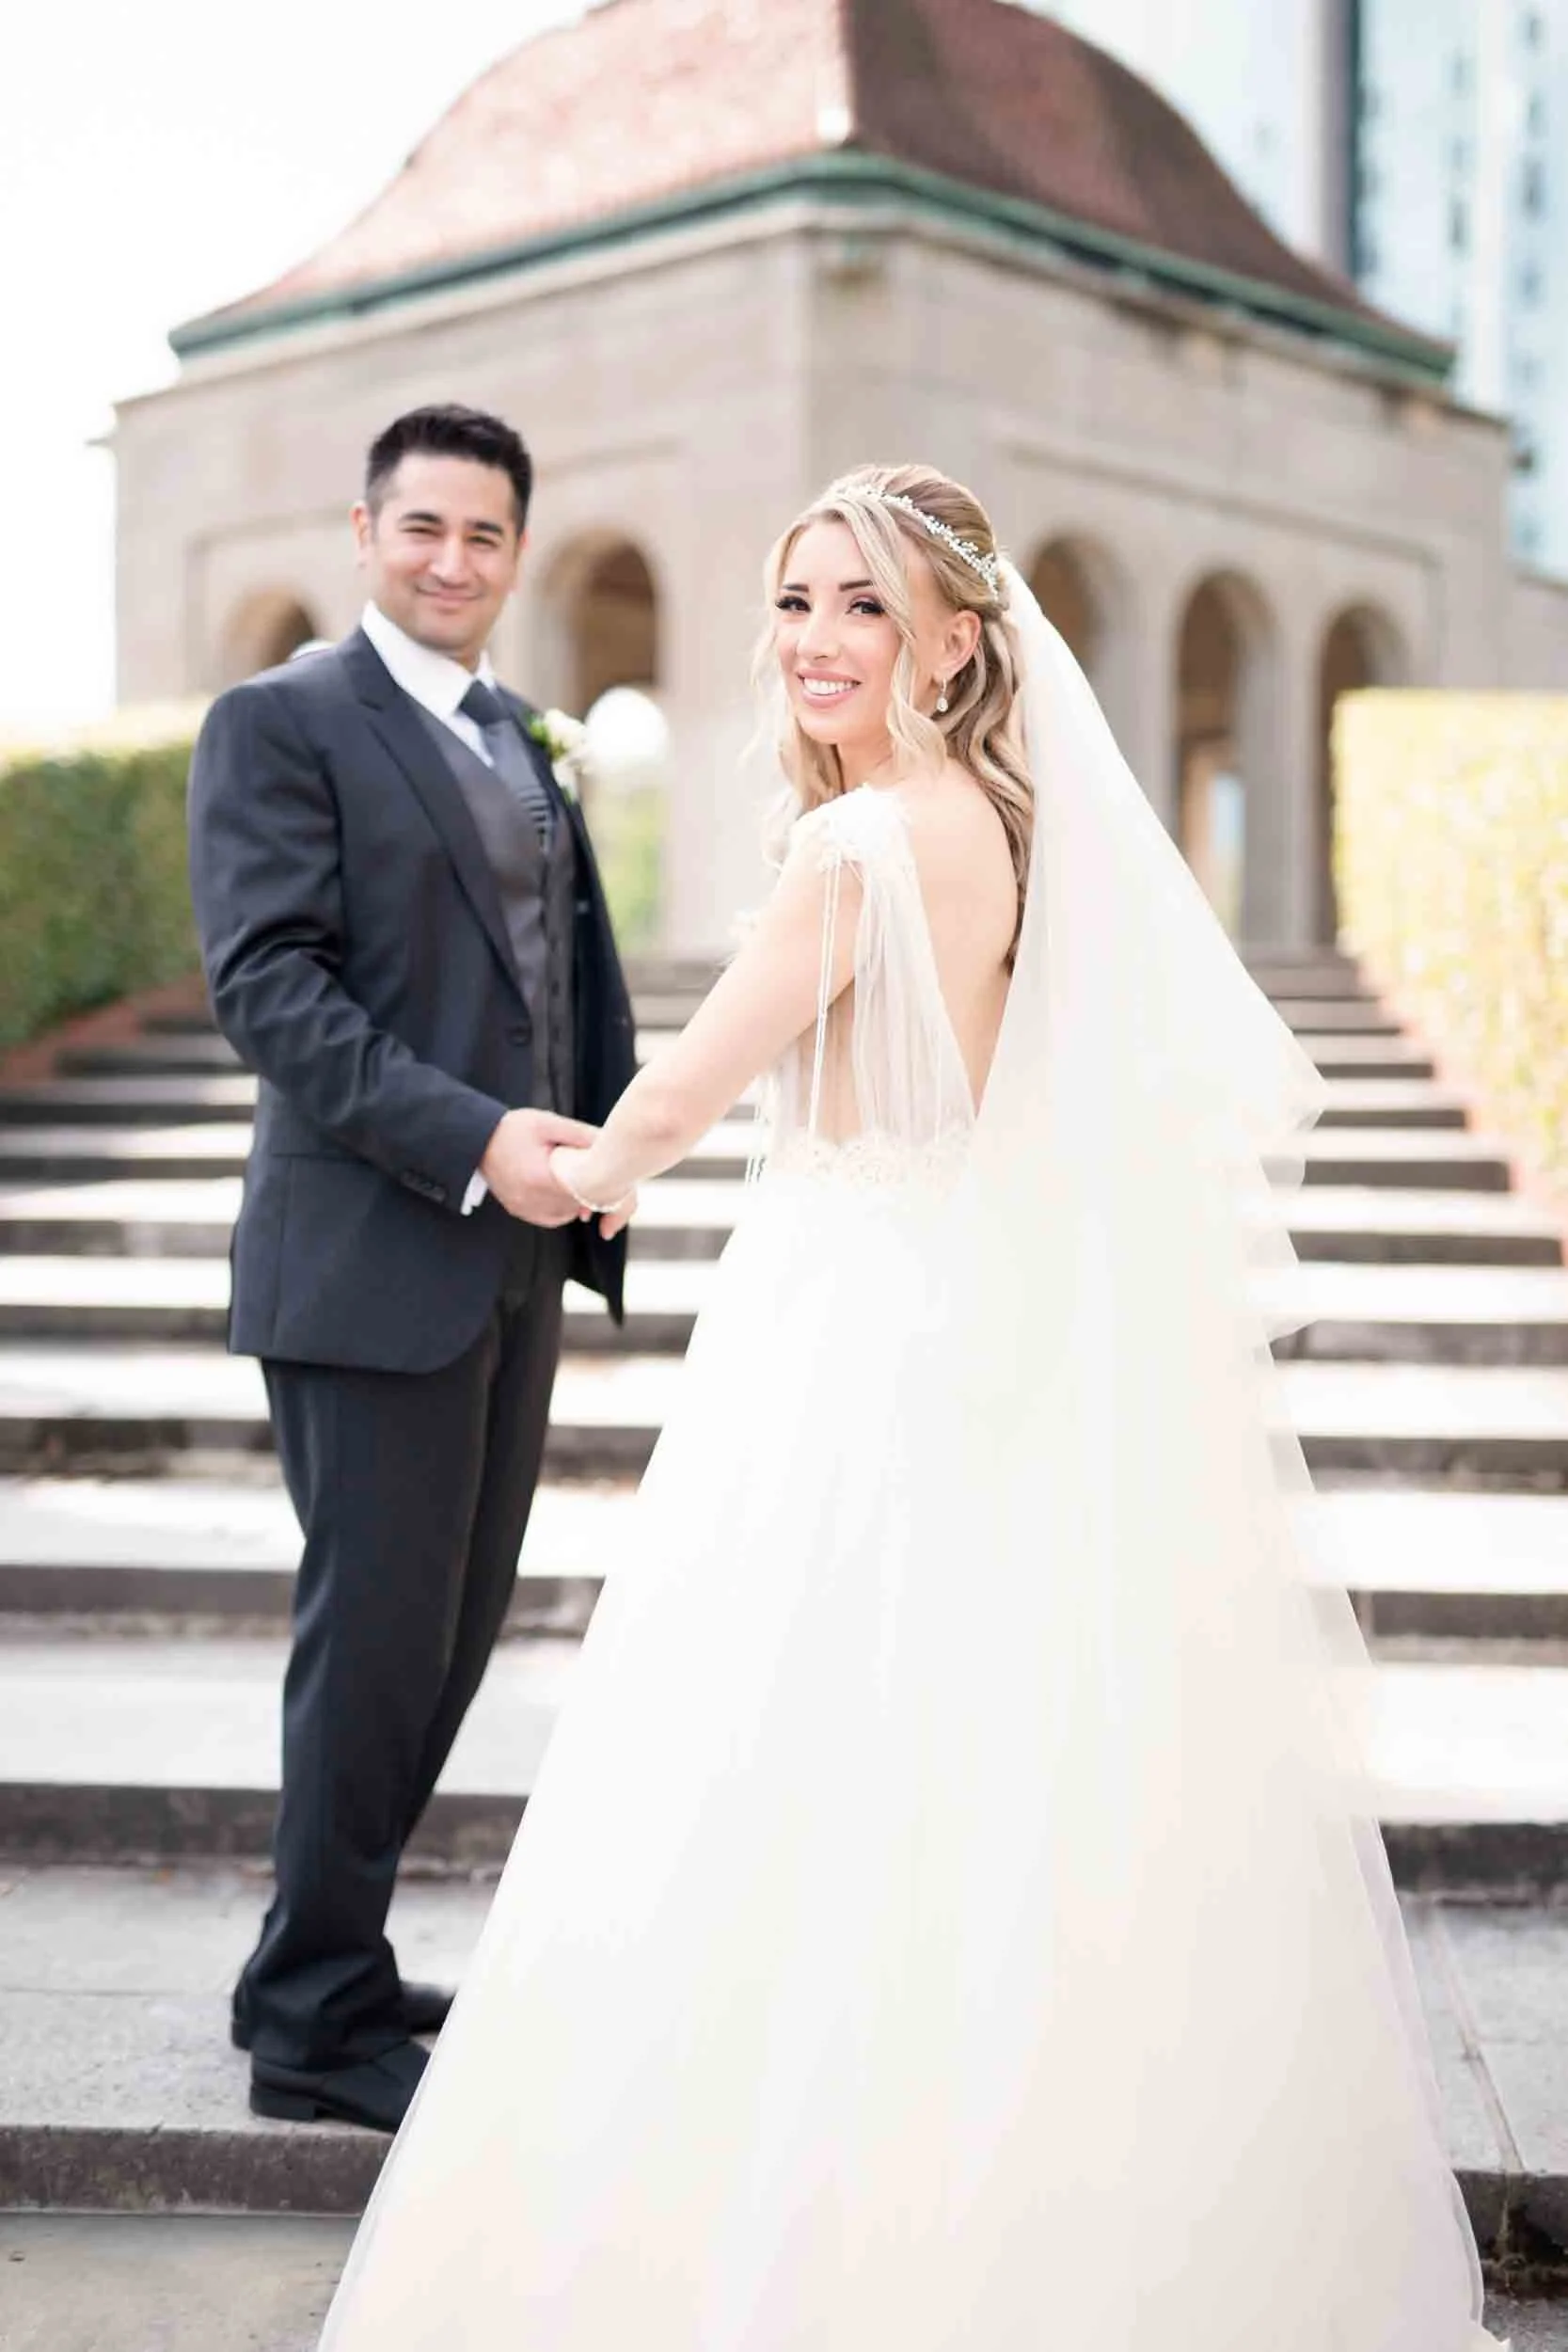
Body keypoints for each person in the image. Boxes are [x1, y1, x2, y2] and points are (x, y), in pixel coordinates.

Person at [317, 464, 1505, 2348]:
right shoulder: (1012, 835)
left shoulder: (861, 846)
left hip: (846, 1332)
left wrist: (526, 1158)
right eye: (792, 599)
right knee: (981, 1776)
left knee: (775, 1767)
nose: (812, 638)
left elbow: (678, 1101)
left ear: (954, 637)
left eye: (859, 605)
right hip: (974, 1322)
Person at [186, 404, 637, 2136]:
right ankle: (308, 2026)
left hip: (517, 1252)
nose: (455, 562)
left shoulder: (522, 736)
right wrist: (473, 1139)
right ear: (363, 530)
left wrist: (599, 1148)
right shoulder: (280, 721)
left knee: (445, 1641)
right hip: (375, 1251)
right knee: (371, 1643)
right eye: (424, 529)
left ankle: (330, 1958)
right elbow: (270, 989)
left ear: (518, 552)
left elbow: (553, 971)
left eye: (487, 537)